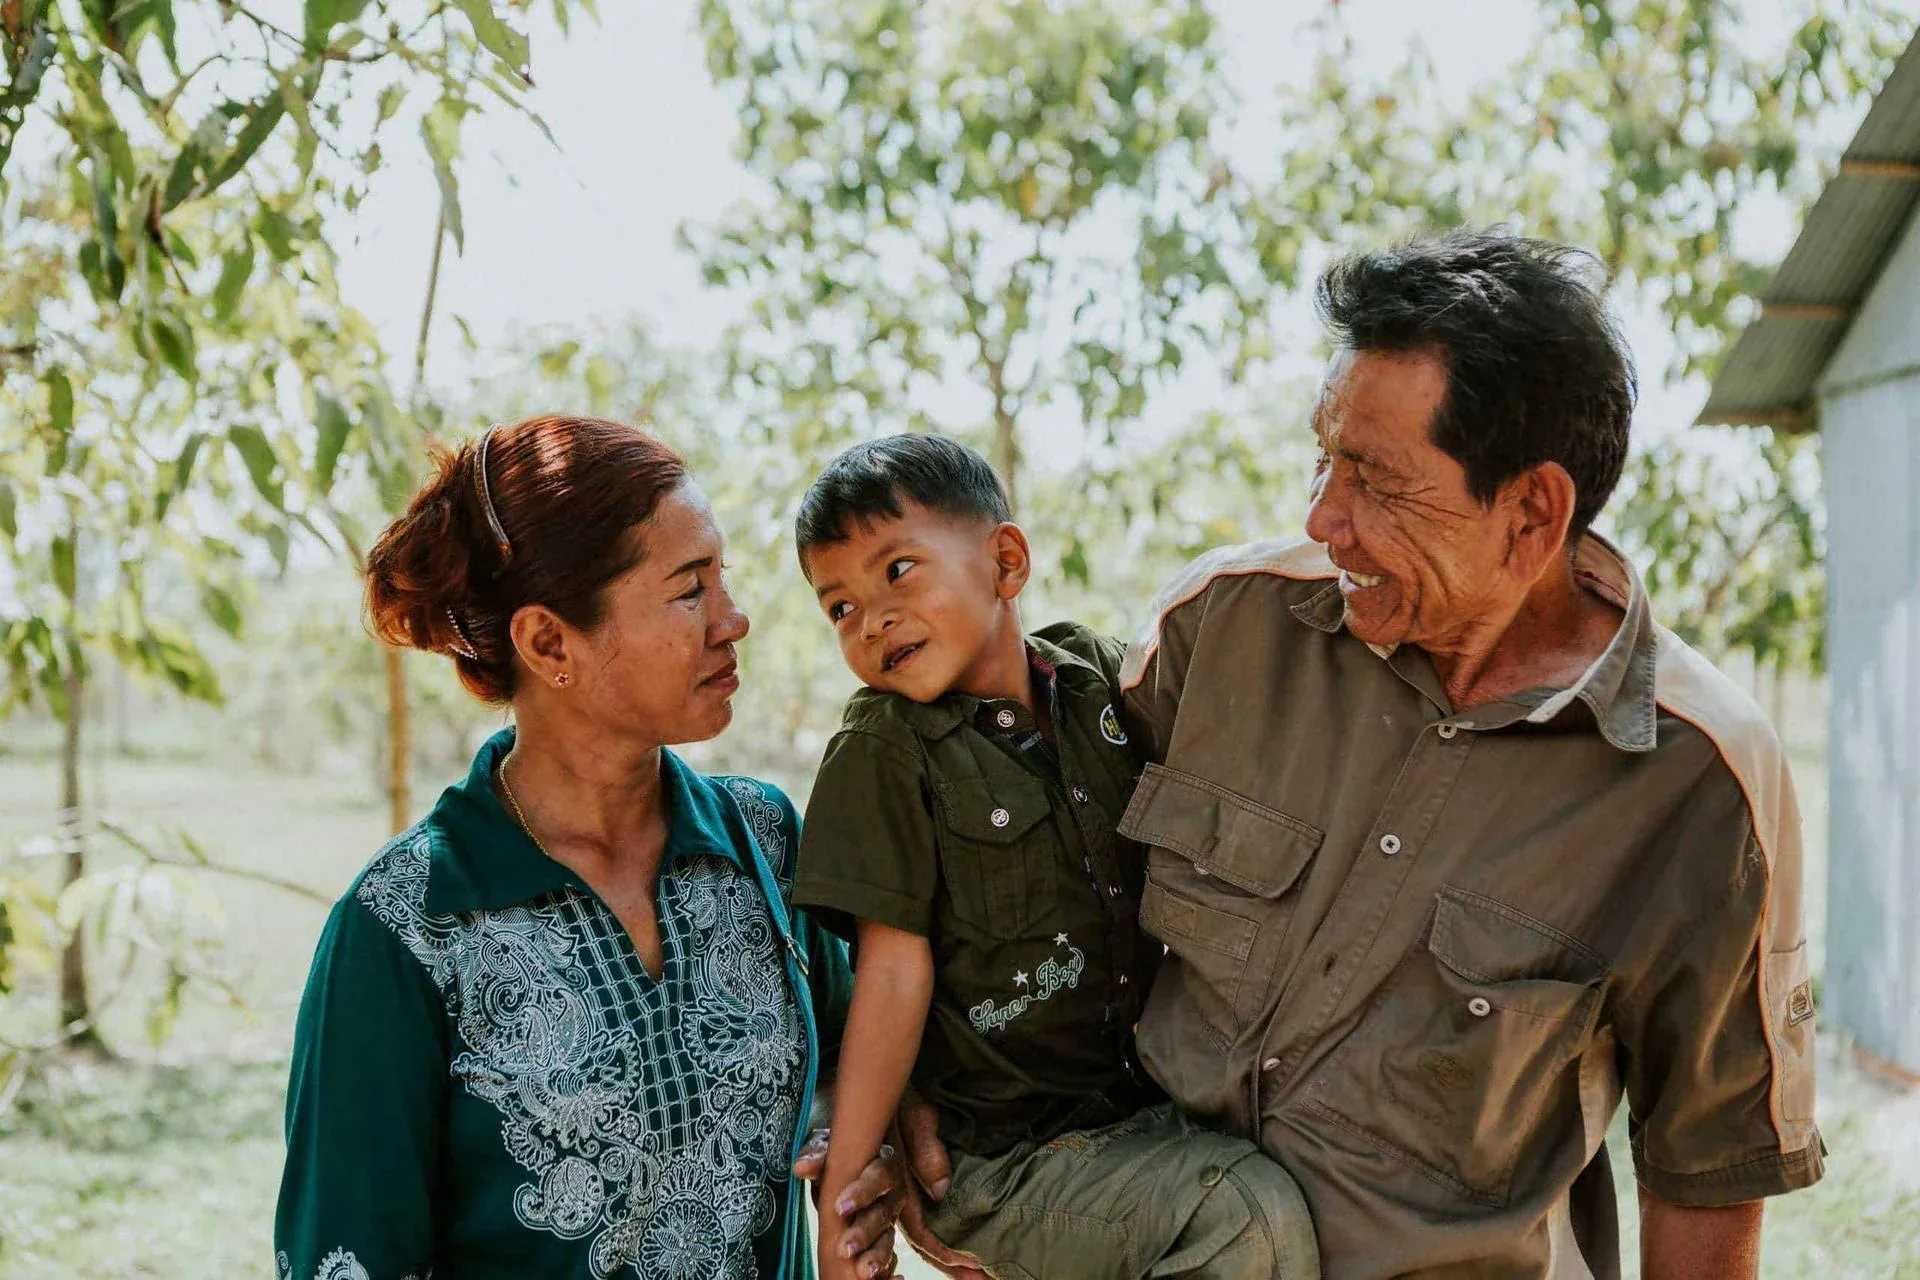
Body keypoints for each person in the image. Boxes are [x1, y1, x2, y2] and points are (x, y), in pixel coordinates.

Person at [903, 231, 1824, 1279]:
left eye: (1376, 480)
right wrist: (911, 1081)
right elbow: (1012, 875)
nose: (1321, 518)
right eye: (1323, 456)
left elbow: (1708, 1175)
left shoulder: (1700, 779)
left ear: (1532, 516)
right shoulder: (1222, 627)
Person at [274, 415, 906, 1280]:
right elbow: (345, 1258)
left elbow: (851, 1051)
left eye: (724, 579)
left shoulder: (765, 841)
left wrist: (859, 1152)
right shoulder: (403, 927)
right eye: (689, 590)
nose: (735, 619)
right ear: (548, 642)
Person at [788, 435, 1319, 1280]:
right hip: (1003, 1161)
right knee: (1243, 1215)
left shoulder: (1099, 684)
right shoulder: (886, 747)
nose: (872, 619)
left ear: (1006, 560)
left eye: (896, 572)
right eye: (839, 608)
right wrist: (846, 1202)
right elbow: (890, 975)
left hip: (1145, 1118)